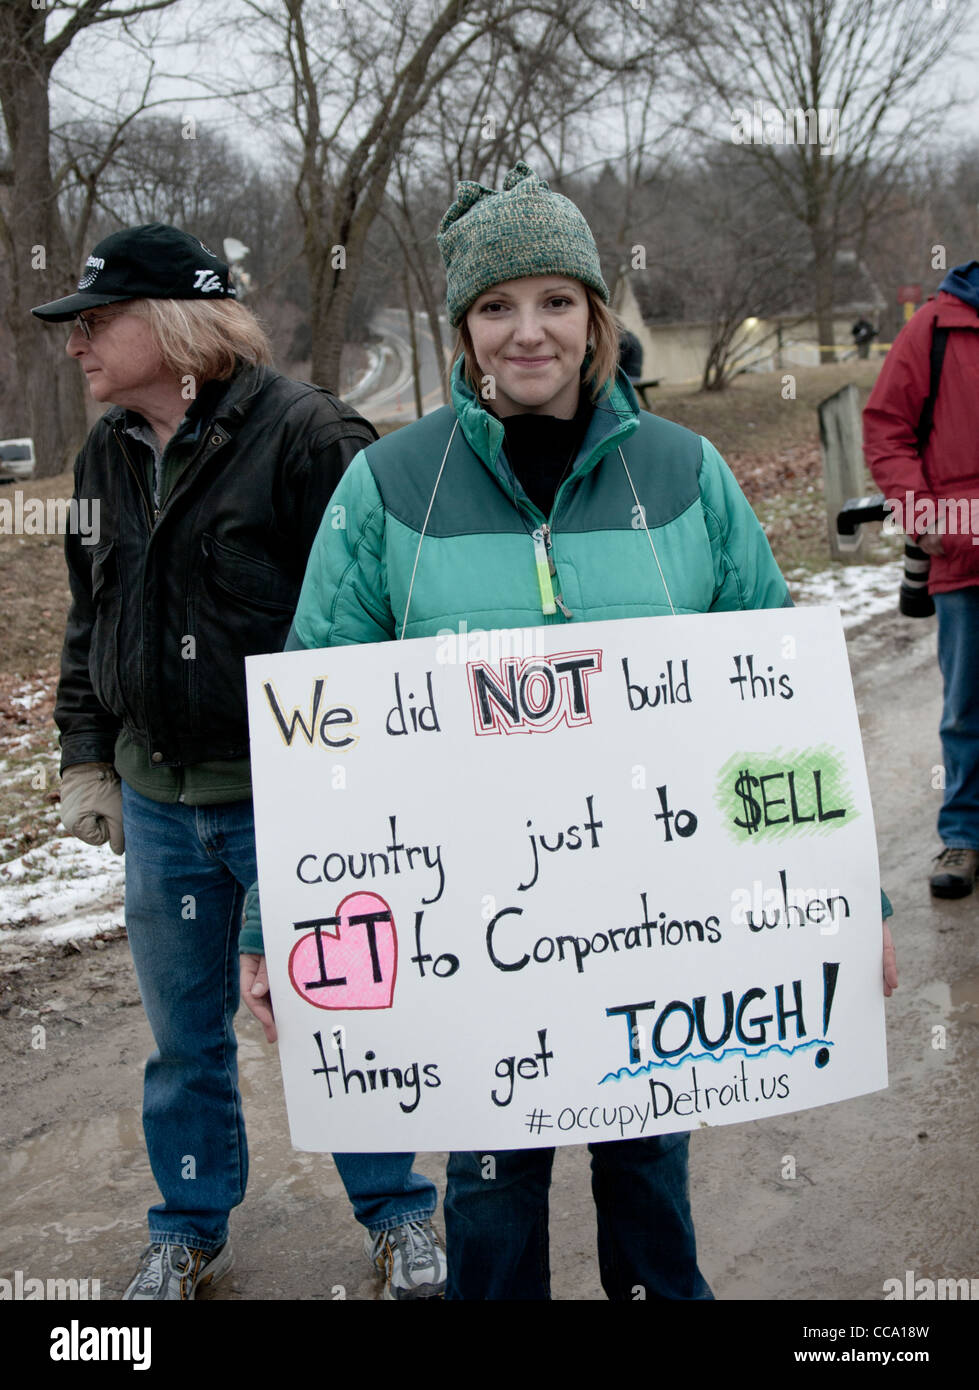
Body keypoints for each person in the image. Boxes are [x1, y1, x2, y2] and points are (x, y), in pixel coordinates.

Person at [240, 163, 898, 1299]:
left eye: (555, 300)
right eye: (496, 306)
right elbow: (318, 719)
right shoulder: (387, 485)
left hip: (655, 934)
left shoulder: (684, 473)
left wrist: (849, 902)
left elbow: (773, 704)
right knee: (491, 1199)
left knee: (649, 1178)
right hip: (474, 941)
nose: (526, 331)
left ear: (596, 315)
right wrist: (271, 917)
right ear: (463, 327)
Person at [32, 223, 444, 1300]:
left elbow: (378, 630)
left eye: (95, 323)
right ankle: (187, 1225)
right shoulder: (102, 454)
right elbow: (93, 619)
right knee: (183, 1042)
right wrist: (87, 756)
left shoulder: (311, 439)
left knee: (338, 1012)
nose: (75, 344)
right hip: (159, 804)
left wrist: (362, 792)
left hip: (291, 799)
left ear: (169, 326)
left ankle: (402, 1213)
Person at [863, 260, 979, 899]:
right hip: (961, 557)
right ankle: (963, 835)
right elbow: (886, 428)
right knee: (966, 707)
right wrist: (920, 511)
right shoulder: (933, 327)